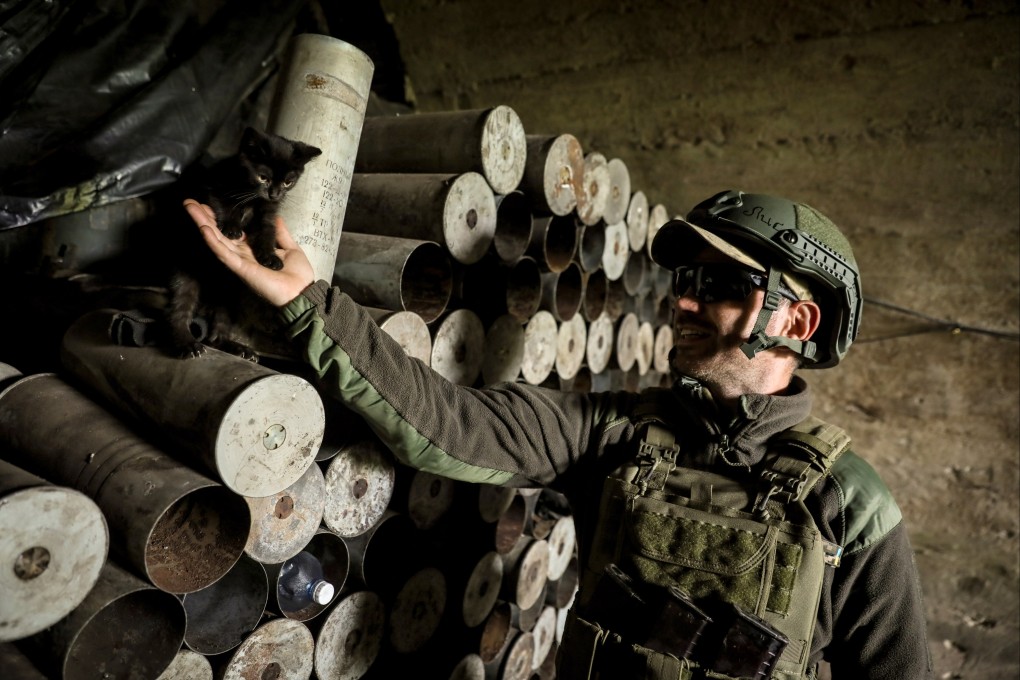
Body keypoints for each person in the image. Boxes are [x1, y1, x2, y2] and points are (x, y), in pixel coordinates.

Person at [185, 189, 932, 679]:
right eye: (685, 283)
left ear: (795, 323)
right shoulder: (617, 432)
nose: (686, 304)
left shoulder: (851, 507)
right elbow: (446, 423)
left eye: (723, 287)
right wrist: (310, 301)